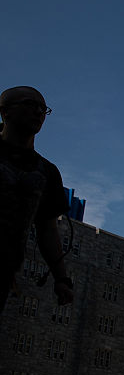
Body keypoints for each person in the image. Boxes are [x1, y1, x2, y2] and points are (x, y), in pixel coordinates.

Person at [0, 86, 74, 315]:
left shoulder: (47, 173)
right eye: (30, 104)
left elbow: (47, 230)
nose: (39, 112)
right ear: (5, 112)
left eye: (43, 108)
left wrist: (62, 278)